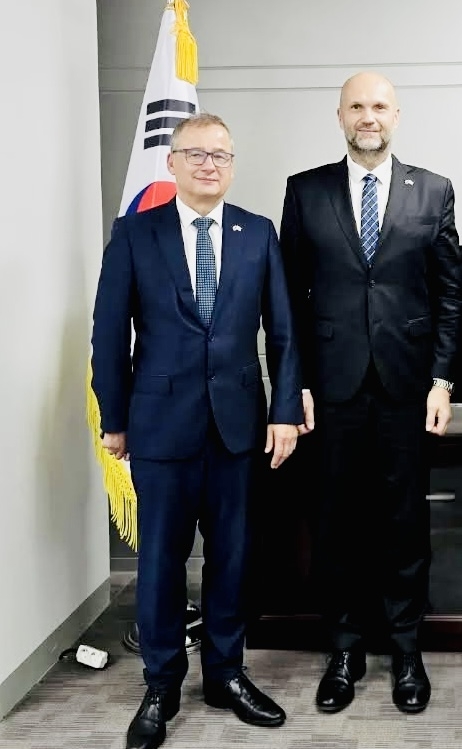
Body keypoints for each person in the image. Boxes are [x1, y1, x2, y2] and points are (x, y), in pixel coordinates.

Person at [91, 113, 303, 749]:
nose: (209, 165)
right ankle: (161, 684)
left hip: (239, 428)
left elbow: (284, 332)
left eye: (221, 155)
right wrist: (114, 418)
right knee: (159, 563)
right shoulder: (135, 233)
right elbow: (108, 333)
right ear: (174, 164)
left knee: (233, 560)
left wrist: (285, 411)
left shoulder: (258, 233)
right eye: (196, 154)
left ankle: (226, 675)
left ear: (232, 165)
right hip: (158, 428)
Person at [278, 71, 462, 714]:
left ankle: (406, 648)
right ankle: (347, 646)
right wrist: (294, 382)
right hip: (330, 390)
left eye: (379, 106)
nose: (368, 116)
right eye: (357, 106)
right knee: (336, 522)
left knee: (404, 521)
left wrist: (443, 379)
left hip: (407, 388)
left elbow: (448, 296)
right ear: (339, 115)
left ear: (397, 114)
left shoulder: (432, 190)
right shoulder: (305, 192)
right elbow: (289, 303)